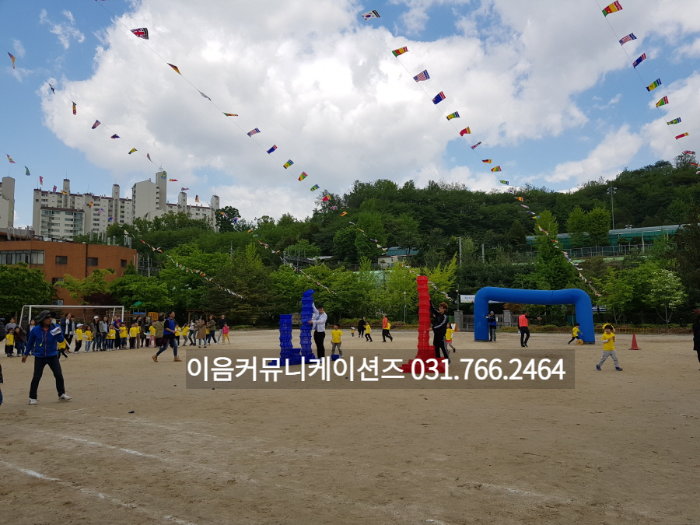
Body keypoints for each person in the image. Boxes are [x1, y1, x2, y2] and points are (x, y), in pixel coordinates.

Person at [23, 310, 72, 405]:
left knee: (58, 375)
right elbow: (30, 342)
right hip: (39, 356)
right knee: (37, 376)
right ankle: (32, 397)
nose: (50, 319)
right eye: (48, 318)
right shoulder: (36, 330)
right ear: (42, 320)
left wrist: (58, 333)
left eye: (51, 317)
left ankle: (61, 393)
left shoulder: (56, 327)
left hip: (52, 355)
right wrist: (26, 353)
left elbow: (61, 340)